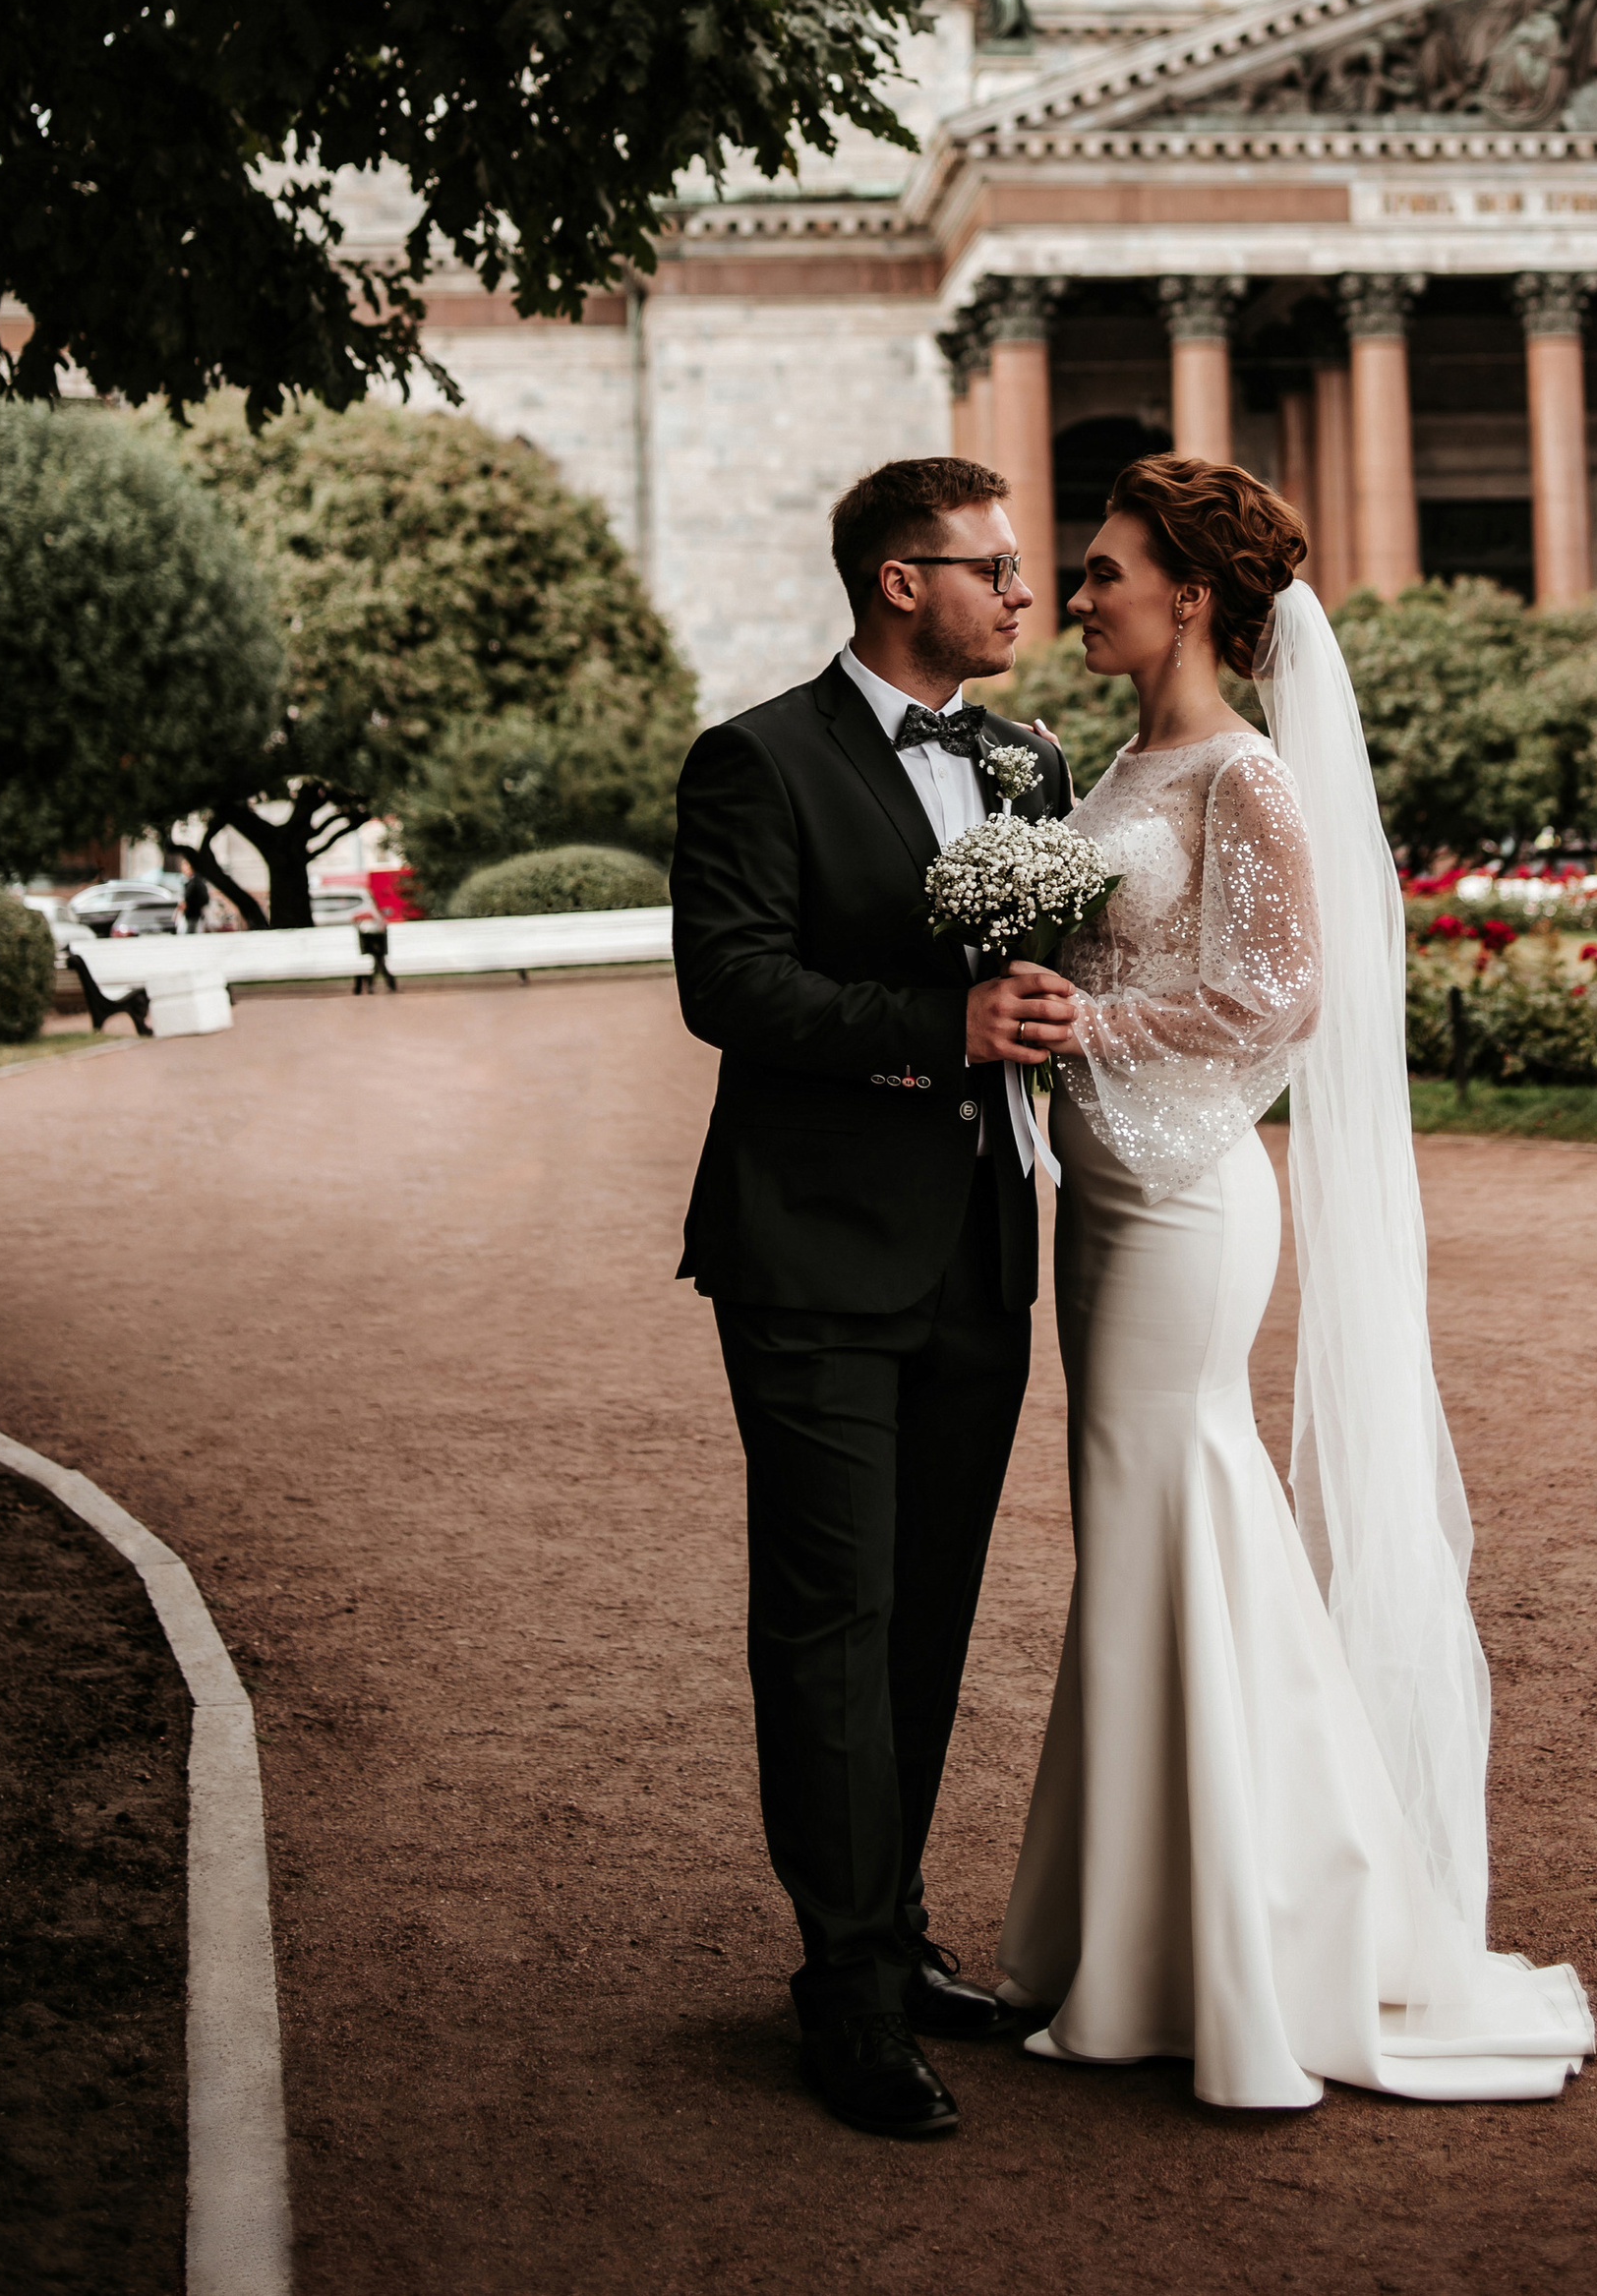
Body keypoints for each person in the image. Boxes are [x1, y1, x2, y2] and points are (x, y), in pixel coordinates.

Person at [996, 453, 1595, 2107]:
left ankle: (1248, 1938)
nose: (1084, 588)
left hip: (1188, 1196)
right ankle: (1148, 1925)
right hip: (1108, 1190)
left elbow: (1279, 998)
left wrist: (1080, 1026)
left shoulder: (1245, 777)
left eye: (1109, 566)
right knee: (1139, 1533)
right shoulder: (1117, 761)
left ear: (1191, 596)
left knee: (1182, 1505)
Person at [672, 457, 1074, 2141]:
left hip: (984, 1249)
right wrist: (941, 1027)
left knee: (926, 1609)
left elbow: (1049, 962)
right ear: (900, 581)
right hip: (814, 1253)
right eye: (993, 568)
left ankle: (895, 1932)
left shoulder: (1026, 759)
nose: (1022, 596)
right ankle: (841, 1985)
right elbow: (733, 985)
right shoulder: (756, 758)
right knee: (831, 1612)